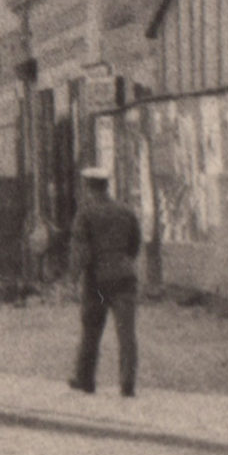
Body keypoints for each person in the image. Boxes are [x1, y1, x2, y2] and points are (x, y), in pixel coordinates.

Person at [67, 168, 142, 397]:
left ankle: (86, 379)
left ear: (88, 186)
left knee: (91, 329)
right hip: (124, 278)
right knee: (127, 333)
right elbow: (135, 244)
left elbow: (81, 250)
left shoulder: (85, 213)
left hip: (97, 282)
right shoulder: (126, 211)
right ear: (106, 186)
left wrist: (73, 276)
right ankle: (127, 383)